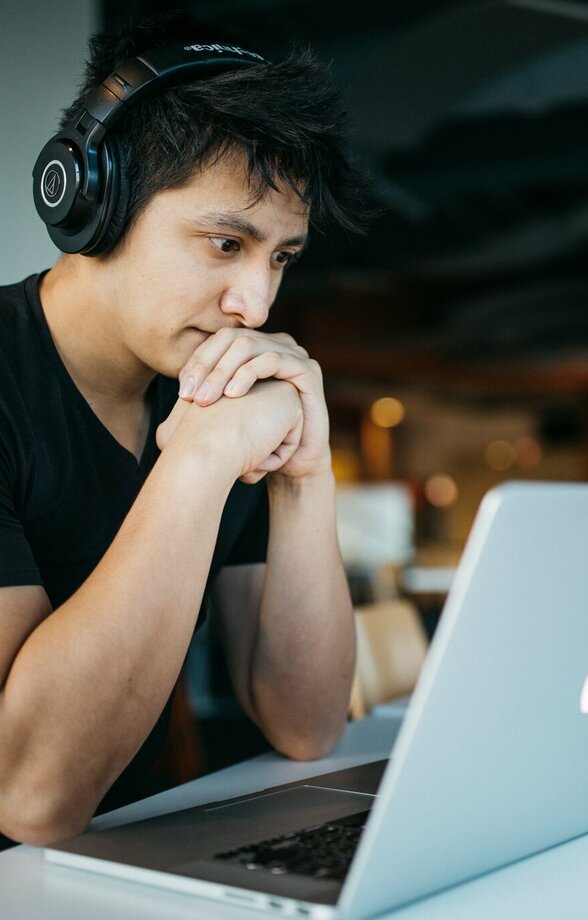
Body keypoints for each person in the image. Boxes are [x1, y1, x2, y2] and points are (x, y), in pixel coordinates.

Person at [0, 13, 367, 846]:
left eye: (280, 256)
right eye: (226, 242)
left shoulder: (203, 387)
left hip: (121, 866)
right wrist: (199, 459)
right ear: (95, 204)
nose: (257, 305)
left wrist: (305, 475)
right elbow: (30, 795)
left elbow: (305, 723)